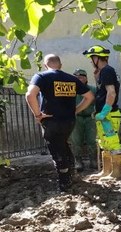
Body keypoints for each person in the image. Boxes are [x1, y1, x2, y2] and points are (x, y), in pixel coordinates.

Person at [25, 54, 95, 192]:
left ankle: (64, 184)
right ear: (61, 65)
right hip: (69, 121)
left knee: (57, 151)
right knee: (63, 145)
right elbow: (89, 96)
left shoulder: (41, 76)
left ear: (45, 65)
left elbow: (29, 94)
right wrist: (76, 110)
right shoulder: (71, 79)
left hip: (51, 121)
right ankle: (71, 174)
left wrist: (37, 114)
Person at [82, 45, 121, 180]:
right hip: (104, 114)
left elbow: (111, 92)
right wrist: (96, 77)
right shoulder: (104, 72)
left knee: (113, 143)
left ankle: (116, 173)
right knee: (104, 143)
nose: (90, 61)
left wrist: (105, 111)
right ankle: (106, 172)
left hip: (109, 115)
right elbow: (103, 92)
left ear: (97, 58)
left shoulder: (107, 71)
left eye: (91, 58)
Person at [70, 69, 97, 171]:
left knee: (92, 140)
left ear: (86, 78)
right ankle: (78, 161)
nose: (78, 79)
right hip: (77, 118)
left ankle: (93, 160)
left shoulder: (93, 90)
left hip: (90, 118)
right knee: (76, 140)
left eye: (81, 77)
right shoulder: (71, 91)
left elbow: (98, 103)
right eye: (76, 77)